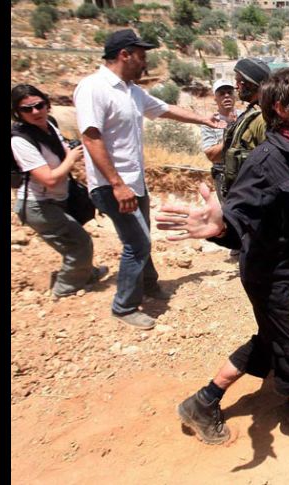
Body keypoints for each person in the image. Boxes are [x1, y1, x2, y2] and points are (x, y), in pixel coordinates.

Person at [155, 66, 289, 449]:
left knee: (270, 339)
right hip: (271, 277)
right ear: (282, 109)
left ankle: (203, 402)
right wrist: (220, 225)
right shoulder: (265, 162)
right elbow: (239, 215)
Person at [73, 29, 226, 330]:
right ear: (124, 55)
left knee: (140, 238)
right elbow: (91, 138)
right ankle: (125, 306)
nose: (145, 63)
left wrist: (204, 120)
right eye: (141, 56)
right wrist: (117, 184)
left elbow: (166, 109)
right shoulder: (93, 87)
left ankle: (149, 284)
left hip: (135, 181)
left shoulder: (131, 90)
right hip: (113, 184)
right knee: (138, 243)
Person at [11, 84, 108, 298]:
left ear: (47, 104)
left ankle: (85, 273)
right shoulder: (20, 141)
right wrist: (72, 158)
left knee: (72, 240)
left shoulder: (49, 126)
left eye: (39, 105)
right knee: (80, 242)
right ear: (18, 113)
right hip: (38, 204)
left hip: (56, 200)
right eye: (27, 109)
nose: (35, 112)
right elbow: (49, 179)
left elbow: (62, 151)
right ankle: (66, 288)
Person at [211, 57, 271, 202]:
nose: (236, 86)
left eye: (239, 81)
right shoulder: (250, 114)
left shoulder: (262, 118)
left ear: (250, 84)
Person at [200, 79, 242, 163]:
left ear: (234, 96)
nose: (226, 96)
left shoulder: (245, 116)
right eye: (222, 93)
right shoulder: (210, 122)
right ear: (215, 98)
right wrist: (232, 133)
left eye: (229, 92)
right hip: (223, 172)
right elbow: (212, 156)